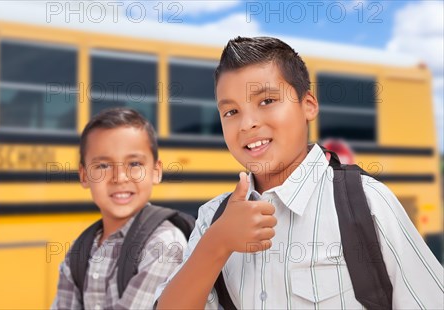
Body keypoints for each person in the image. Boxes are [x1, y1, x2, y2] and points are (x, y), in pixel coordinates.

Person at [156, 36, 443, 309]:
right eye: (231, 112)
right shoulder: (213, 218)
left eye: (266, 101)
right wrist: (216, 244)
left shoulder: (366, 203)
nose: (247, 124)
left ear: (308, 105)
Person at [52, 108, 188, 309]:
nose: (120, 177)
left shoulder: (164, 245)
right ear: (83, 176)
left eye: (134, 163)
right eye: (103, 166)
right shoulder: (79, 250)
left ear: (156, 172)